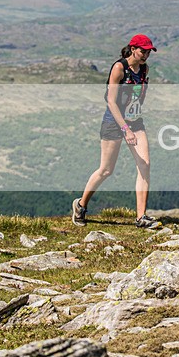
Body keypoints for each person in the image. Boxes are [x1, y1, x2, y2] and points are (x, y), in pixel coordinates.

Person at [71, 34, 161, 229]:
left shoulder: (145, 69)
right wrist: (124, 128)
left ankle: (141, 217)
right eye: (143, 51)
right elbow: (111, 101)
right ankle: (80, 205)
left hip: (136, 122)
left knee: (145, 165)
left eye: (148, 51)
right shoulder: (119, 68)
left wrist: (132, 122)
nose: (146, 54)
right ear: (133, 49)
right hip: (114, 122)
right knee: (106, 170)